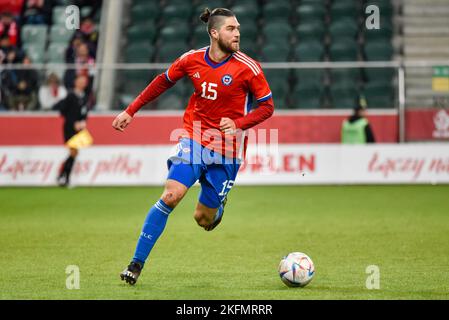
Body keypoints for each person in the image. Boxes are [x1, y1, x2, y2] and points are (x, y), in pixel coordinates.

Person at [112, 8, 275, 285]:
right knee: (171, 196)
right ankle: (135, 264)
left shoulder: (248, 68)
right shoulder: (191, 59)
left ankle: (218, 205)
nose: (237, 33)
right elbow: (162, 82)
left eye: (238, 28)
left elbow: (267, 107)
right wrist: (131, 110)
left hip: (229, 150)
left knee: (204, 219)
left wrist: (239, 124)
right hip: (195, 138)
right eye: (231, 29)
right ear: (214, 33)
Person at [53, 74, 90, 187]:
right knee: (73, 151)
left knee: (75, 152)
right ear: (76, 82)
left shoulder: (84, 97)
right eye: (81, 81)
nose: (82, 83)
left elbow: (84, 112)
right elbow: (63, 111)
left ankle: (63, 177)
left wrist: (83, 121)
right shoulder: (70, 95)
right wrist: (73, 122)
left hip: (79, 128)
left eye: (84, 81)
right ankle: (64, 177)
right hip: (69, 127)